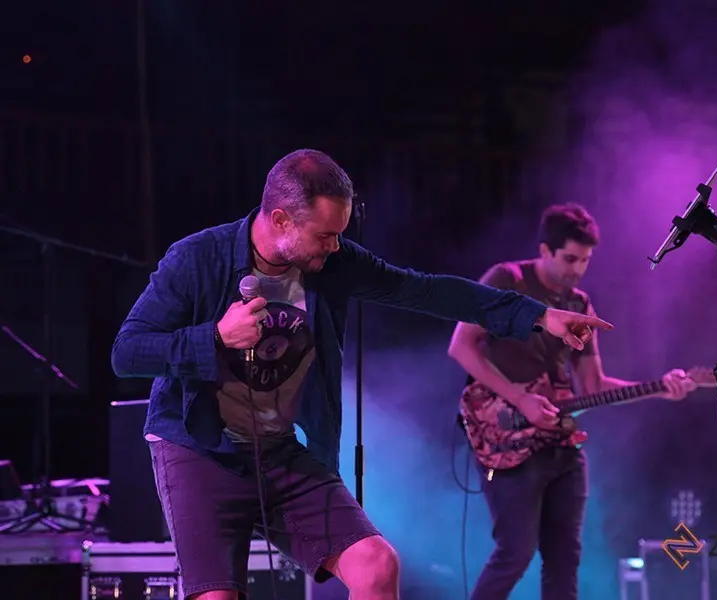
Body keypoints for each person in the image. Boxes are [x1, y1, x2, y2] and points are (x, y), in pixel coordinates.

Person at [110, 150, 613, 600]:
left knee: (376, 566)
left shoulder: (333, 263)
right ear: (281, 219)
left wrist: (537, 316)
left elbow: (427, 291)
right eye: (324, 236)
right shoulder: (196, 258)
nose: (334, 248)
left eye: (340, 235)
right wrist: (215, 339)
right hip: (201, 453)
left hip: (281, 451)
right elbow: (127, 353)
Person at [446, 203, 697, 600]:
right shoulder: (508, 279)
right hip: (504, 433)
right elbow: (461, 347)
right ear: (545, 250)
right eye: (569, 258)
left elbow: (592, 385)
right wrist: (520, 399)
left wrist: (658, 387)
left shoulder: (579, 304)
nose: (577, 269)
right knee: (516, 552)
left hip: (560, 440)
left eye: (585, 260)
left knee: (565, 557)